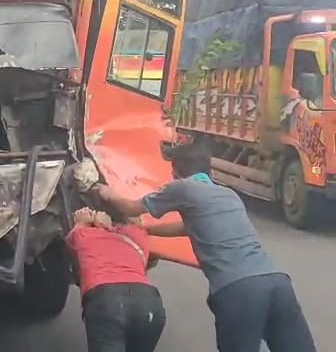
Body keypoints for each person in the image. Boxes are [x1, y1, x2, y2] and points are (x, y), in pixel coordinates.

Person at [93, 142, 316, 352]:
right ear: (209, 171)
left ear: (176, 172)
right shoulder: (229, 195)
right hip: (277, 283)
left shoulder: (182, 188)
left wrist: (108, 194)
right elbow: (189, 227)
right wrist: (146, 230)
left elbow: (131, 208)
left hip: (238, 290)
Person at [67, 206, 165, 352]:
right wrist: (108, 225)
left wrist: (82, 221)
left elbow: (70, 242)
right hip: (148, 301)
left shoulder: (84, 235)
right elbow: (136, 221)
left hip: (107, 299)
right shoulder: (137, 236)